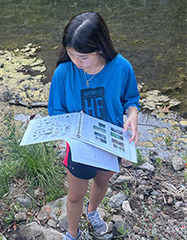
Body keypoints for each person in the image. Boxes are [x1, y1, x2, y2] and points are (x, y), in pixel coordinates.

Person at [48, 12, 140, 240]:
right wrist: (66, 132)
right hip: (78, 145)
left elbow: (131, 100)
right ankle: (72, 233)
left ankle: (92, 212)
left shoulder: (121, 68)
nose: (76, 63)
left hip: (110, 140)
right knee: (75, 194)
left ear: (100, 48)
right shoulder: (63, 72)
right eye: (70, 54)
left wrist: (133, 114)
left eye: (82, 57)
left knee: (101, 183)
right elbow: (56, 111)